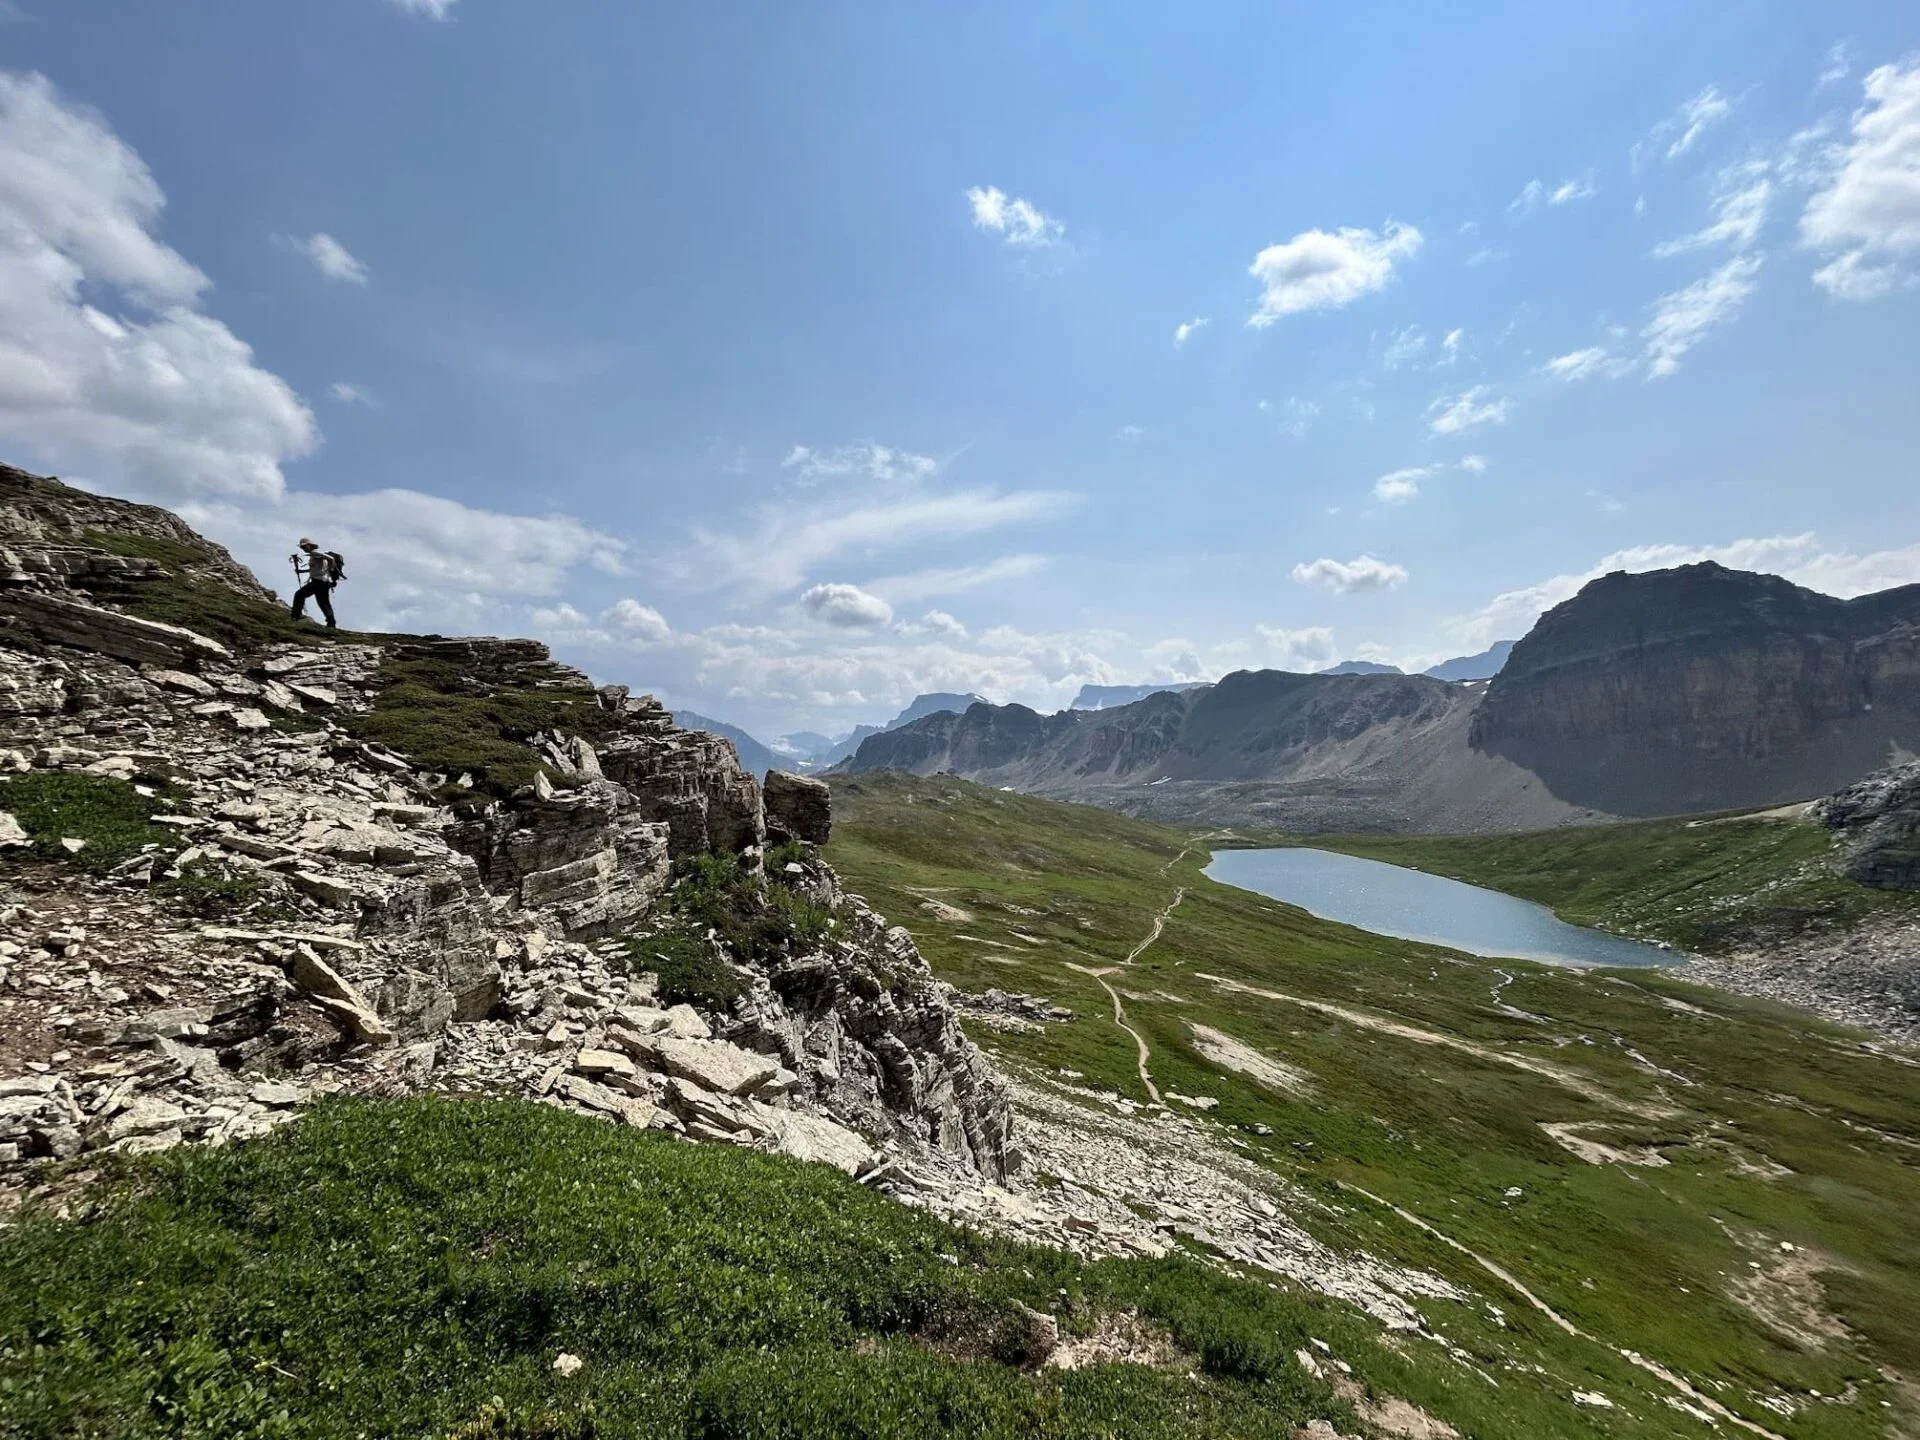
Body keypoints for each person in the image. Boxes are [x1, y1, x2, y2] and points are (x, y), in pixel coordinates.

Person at [290, 537, 338, 628]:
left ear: (309, 545)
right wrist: (301, 571)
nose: (303, 549)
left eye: (304, 546)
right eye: (302, 547)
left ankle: (295, 616)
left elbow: (331, 559)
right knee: (324, 603)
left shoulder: (315, 553)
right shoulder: (316, 554)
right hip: (324, 582)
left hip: (318, 582)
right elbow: (316, 568)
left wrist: (331, 570)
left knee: (299, 595)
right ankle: (331, 624)